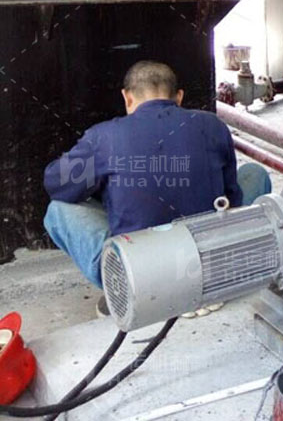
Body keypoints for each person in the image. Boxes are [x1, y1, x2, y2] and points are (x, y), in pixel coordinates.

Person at [43, 60, 271, 314]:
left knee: (58, 210)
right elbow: (233, 198)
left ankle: (121, 286)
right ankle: (221, 272)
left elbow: (56, 184)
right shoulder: (213, 126)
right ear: (179, 97)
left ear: (127, 98)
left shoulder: (104, 137)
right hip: (210, 264)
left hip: (144, 278)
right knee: (255, 174)